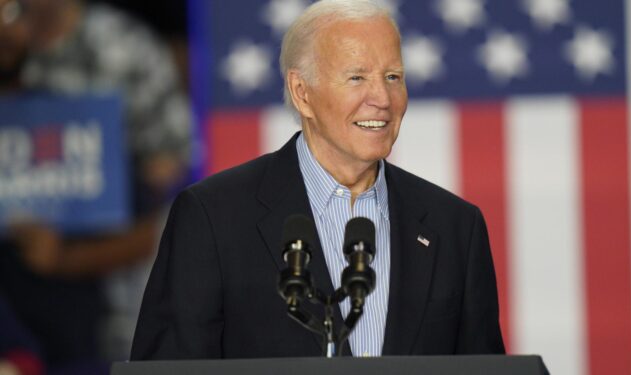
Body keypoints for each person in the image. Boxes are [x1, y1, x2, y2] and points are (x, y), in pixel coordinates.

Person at [131, 0, 504, 359]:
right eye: (357, 77)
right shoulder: (213, 218)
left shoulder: (455, 226)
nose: (383, 98)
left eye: (393, 77)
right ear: (302, 93)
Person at [0, 0, 192, 368]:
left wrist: (64, 258)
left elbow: (151, 221)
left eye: (14, 17)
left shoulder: (88, 121)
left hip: (94, 323)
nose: (11, 26)